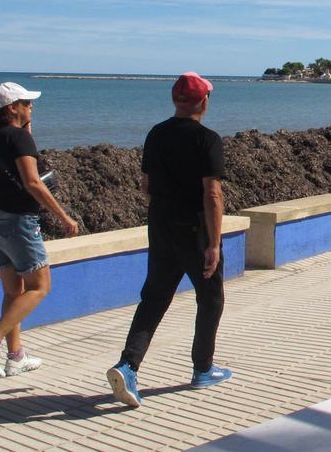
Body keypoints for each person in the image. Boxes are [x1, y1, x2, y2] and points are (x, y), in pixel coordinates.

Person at [107, 72, 232, 408]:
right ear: (203, 101)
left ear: (176, 100)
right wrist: (214, 243)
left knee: (154, 298)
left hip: (161, 225)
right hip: (194, 227)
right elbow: (213, 194)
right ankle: (203, 369)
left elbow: (145, 186)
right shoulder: (208, 139)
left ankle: (128, 366)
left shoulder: (156, 134)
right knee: (210, 298)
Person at [0, 82, 80, 377]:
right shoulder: (18, 138)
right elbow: (33, 182)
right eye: (27, 103)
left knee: (13, 290)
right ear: (12, 108)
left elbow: (15, 154)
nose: (32, 106)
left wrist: (27, 127)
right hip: (16, 220)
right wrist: (64, 217)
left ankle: (15, 356)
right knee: (40, 286)